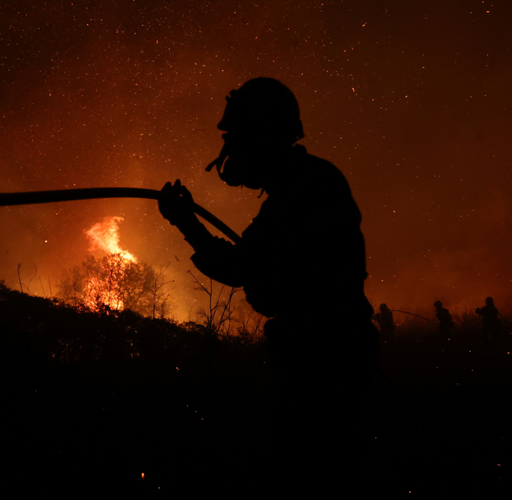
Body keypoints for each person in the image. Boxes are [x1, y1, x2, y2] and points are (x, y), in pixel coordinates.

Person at [158, 77, 378, 489]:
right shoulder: (308, 182)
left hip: (324, 357)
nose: (231, 153)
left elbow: (239, 267)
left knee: (303, 470)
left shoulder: (303, 189)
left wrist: (185, 221)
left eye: (237, 139)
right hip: (331, 351)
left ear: (264, 137)